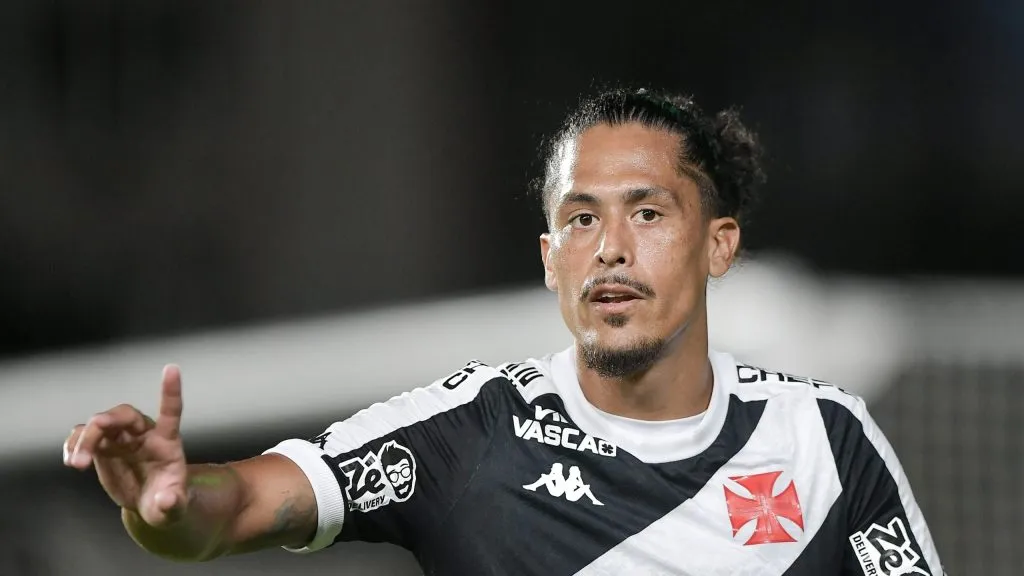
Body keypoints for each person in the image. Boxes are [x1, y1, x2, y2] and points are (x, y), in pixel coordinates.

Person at [62, 87, 945, 575]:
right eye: (581, 220)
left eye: (647, 213)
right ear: (550, 258)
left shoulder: (823, 442)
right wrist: (166, 507)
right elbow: (241, 505)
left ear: (719, 246)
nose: (610, 250)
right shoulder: (468, 435)